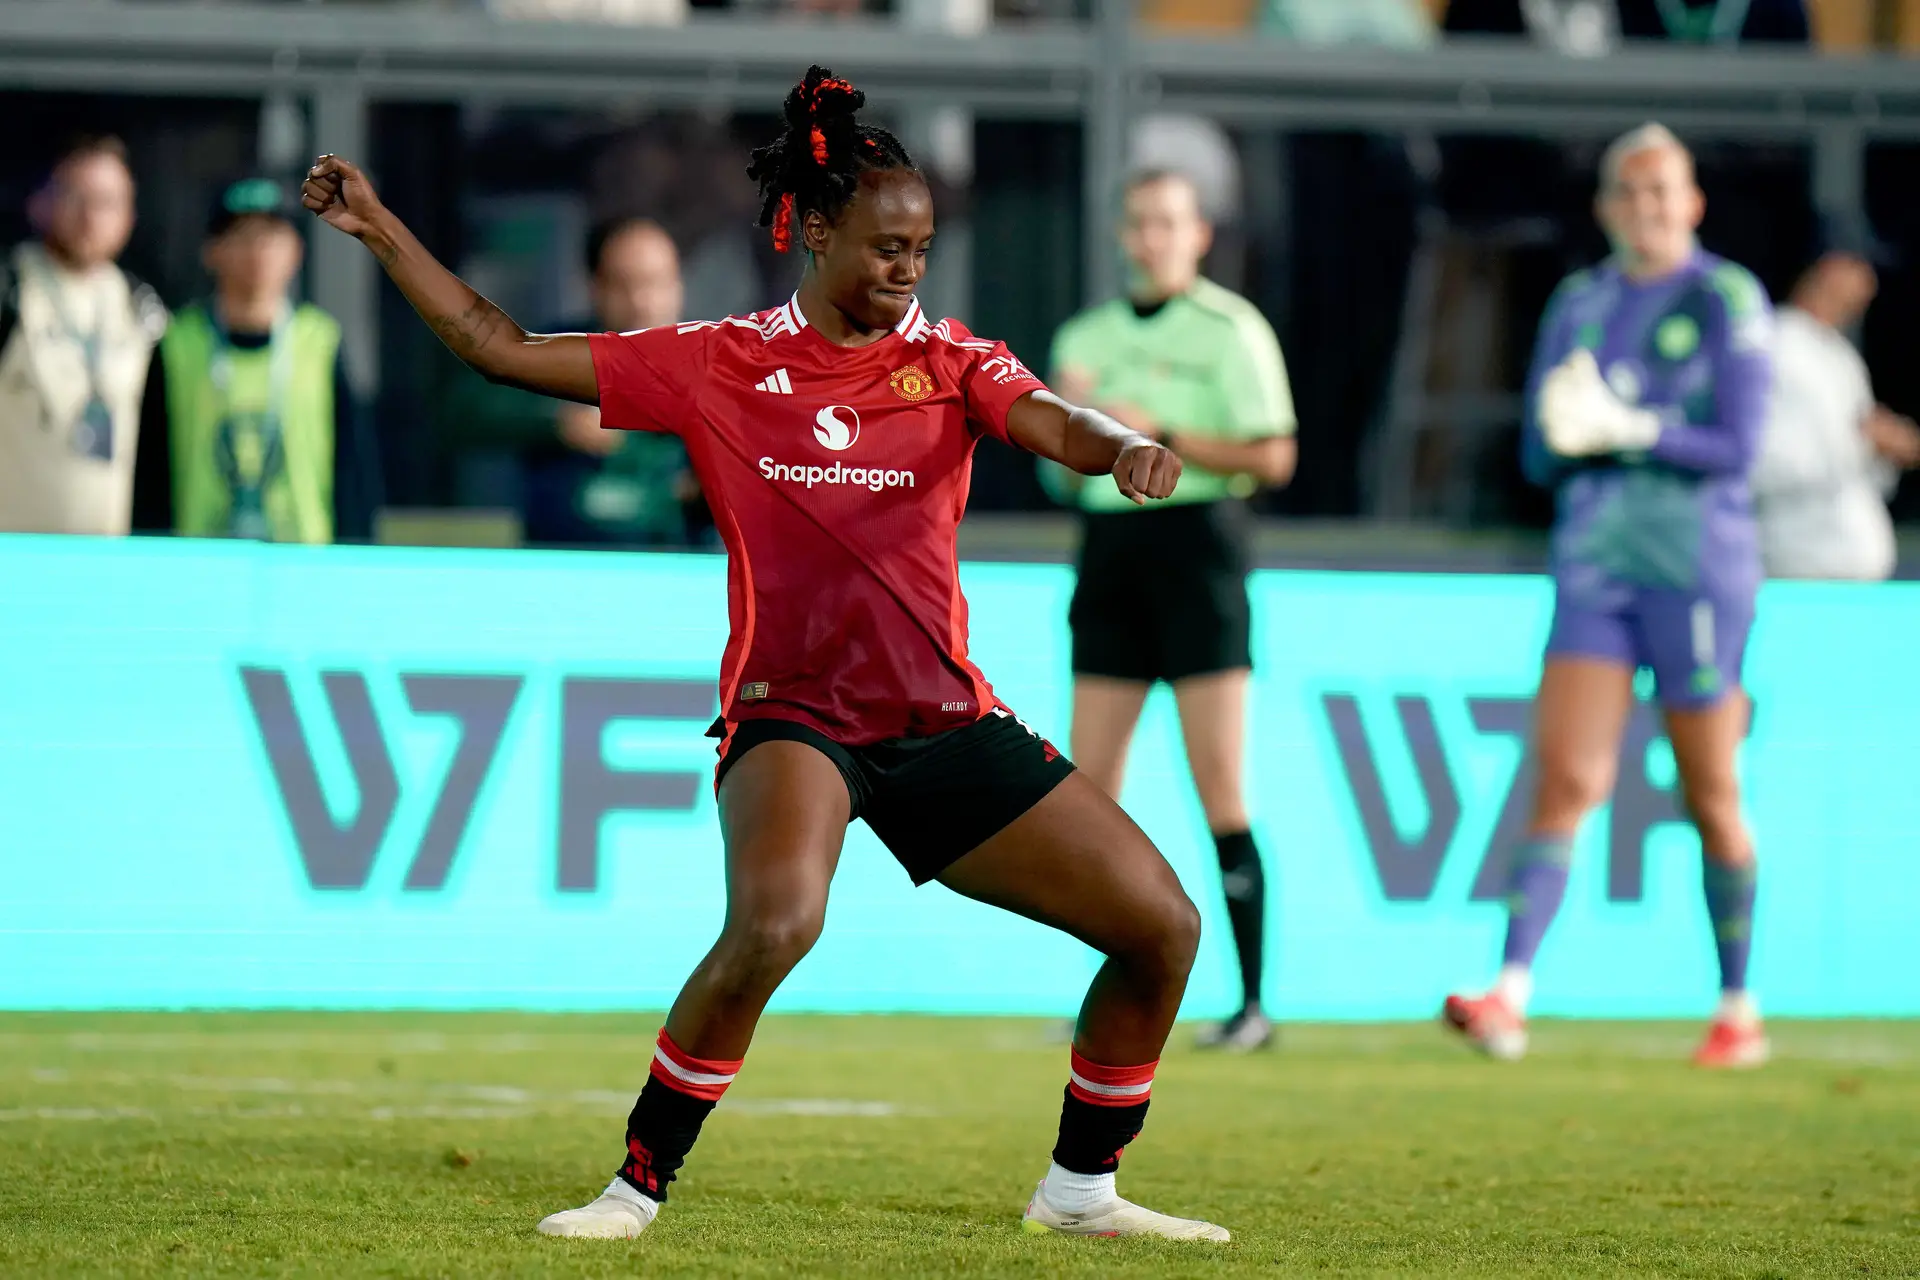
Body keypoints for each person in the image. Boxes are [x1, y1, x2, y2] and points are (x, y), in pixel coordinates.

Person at [304, 66, 1230, 1244]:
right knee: (779, 921)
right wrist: (380, 227)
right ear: (819, 230)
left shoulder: (954, 359)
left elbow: (1054, 417)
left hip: (944, 722)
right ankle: (634, 1186)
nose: (908, 269)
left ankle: (1081, 1189)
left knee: (1163, 926)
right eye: (888, 246)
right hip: (795, 715)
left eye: (922, 248)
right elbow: (501, 347)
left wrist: (1121, 444)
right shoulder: (719, 361)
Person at [1442, 124, 1774, 1069]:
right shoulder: (1579, 303)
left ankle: (1738, 1008)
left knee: (1710, 791)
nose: (1645, 207)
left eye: (1661, 189)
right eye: (1628, 191)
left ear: (1693, 201)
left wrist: (1632, 427)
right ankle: (1509, 993)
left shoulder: (1726, 297)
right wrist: (1564, 433)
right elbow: (1538, 457)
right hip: (1594, 568)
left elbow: (1741, 448)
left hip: (1695, 572)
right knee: (1564, 779)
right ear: (1603, 209)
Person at [1047, 169, 1296, 1053]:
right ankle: (1106, 998)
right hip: (1112, 552)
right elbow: (1056, 475)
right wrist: (1078, 428)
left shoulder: (1232, 330)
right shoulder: (1084, 339)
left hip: (1198, 550)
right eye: (1140, 222)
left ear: (1199, 235)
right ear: (1122, 234)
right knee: (1088, 792)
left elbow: (1275, 457)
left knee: (1220, 785)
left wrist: (1164, 434)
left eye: (1169, 223)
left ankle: (1253, 1004)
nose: (1152, 238)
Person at [132, 178, 375, 543]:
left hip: (304, 563)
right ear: (211, 251)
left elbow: (354, 474)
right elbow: (149, 476)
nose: (257, 251)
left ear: (296, 251)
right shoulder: (177, 346)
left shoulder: (321, 343)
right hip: (200, 562)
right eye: (241, 236)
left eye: (271, 236)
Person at [0, 135, 166, 535]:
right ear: (39, 202)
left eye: (108, 202)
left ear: (129, 216)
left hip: (106, 554)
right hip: (15, 551)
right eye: (75, 198)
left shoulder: (143, 309)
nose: (91, 216)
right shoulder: (11, 291)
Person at [511, 217, 704, 546]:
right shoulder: (558, 351)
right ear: (595, 288)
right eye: (624, 284)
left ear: (678, 287)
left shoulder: (715, 365)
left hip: (674, 559)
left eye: (655, 283)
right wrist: (559, 423)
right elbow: (471, 408)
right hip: (561, 556)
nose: (641, 302)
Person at [1752, 249, 1920, 580]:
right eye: (1857, 271)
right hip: (1796, 560)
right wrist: (1862, 444)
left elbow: (1862, 462)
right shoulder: (1773, 344)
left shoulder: (1840, 354)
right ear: (1828, 271)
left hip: (1852, 563)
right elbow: (1764, 460)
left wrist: (1885, 447)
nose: (1867, 287)